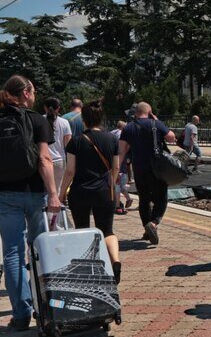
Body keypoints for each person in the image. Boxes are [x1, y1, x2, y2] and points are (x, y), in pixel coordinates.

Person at [0, 75, 59, 331]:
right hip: (34, 193)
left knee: (12, 252)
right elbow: (44, 160)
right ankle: (46, 307)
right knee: (39, 249)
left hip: (4, 194)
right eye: (33, 91)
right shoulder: (37, 119)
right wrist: (54, 194)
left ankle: (20, 314)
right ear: (26, 93)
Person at [59, 100, 121, 284]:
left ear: (83, 119)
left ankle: (88, 270)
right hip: (104, 190)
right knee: (107, 230)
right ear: (102, 118)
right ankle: (115, 261)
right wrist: (111, 182)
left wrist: (62, 192)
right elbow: (116, 167)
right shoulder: (112, 139)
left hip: (80, 191)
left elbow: (70, 170)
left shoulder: (76, 141)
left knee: (82, 230)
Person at [119, 102, 176, 244]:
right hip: (157, 169)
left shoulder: (128, 128)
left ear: (136, 112)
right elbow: (171, 137)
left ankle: (146, 228)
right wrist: (157, 121)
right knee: (161, 198)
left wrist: (116, 172)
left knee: (144, 199)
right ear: (150, 112)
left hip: (139, 168)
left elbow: (121, 152)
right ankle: (154, 223)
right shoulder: (156, 124)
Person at [43, 97, 72, 194]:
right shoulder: (64, 123)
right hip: (59, 160)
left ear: (45, 108)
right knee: (57, 189)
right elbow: (68, 144)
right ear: (58, 108)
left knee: (44, 189)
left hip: (43, 160)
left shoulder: (39, 120)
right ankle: (56, 208)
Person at [110, 121, 132, 214]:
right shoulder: (122, 134)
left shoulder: (112, 133)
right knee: (120, 186)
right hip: (122, 162)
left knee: (117, 186)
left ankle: (118, 206)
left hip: (114, 161)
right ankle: (125, 201)